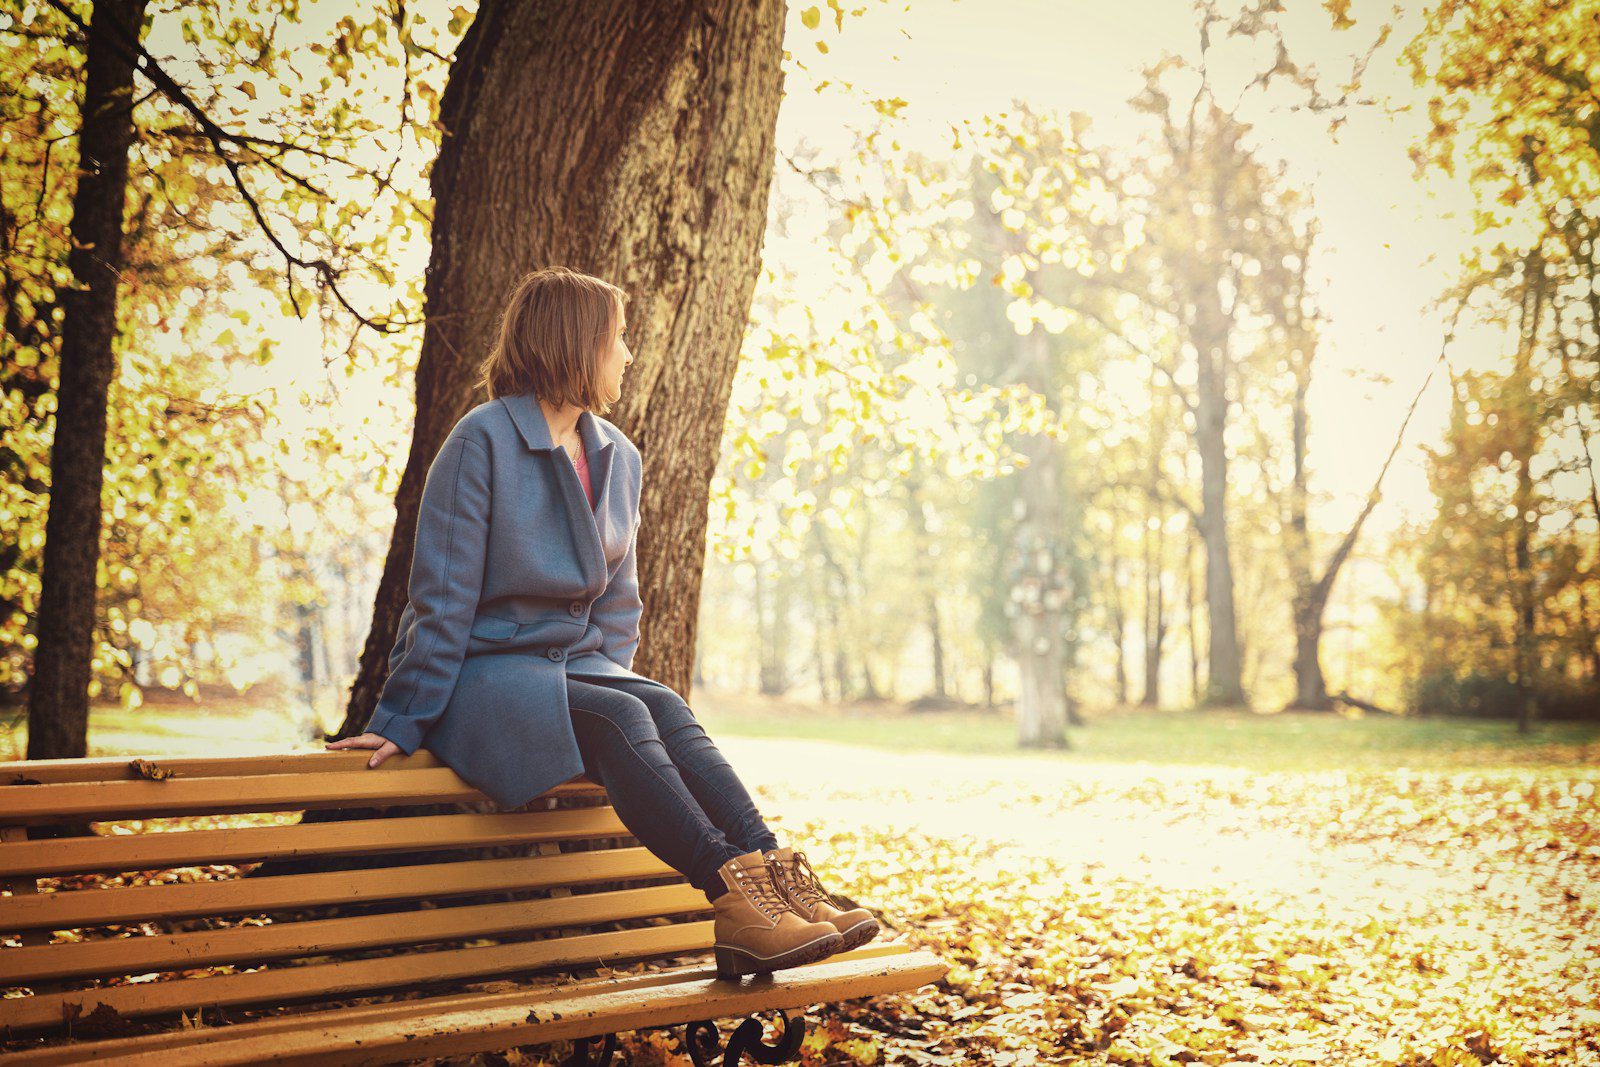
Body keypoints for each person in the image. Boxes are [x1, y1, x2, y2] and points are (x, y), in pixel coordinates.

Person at [327, 266, 881, 978]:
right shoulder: (481, 441)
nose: (629, 353)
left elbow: (622, 602)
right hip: (485, 680)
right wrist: (401, 718)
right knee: (618, 713)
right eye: (619, 338)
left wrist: (608, 683)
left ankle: (780, 881)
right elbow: (441, 597)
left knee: (654, 702)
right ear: (575, 342)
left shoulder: (618, 456)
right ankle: (733, 898)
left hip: (572, 673)